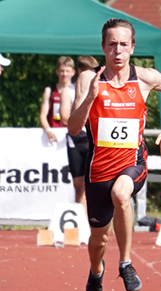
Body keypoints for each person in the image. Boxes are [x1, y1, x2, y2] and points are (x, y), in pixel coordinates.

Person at [68, 18, 161, 291]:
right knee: (98, 241)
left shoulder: (144, 78)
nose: (118, 51)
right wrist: (91, 97)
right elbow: (73, 128)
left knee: (121, 194)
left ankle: (126, 263)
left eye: (124, 45)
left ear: (132, 48)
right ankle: (96, 272)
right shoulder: (87, 79)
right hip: (98, 169)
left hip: (133, 161)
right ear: (103, 46)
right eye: (112, 44)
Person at [60, 56, 99, 211]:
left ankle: (97, 220)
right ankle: (81, 220)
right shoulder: (68, 91)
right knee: (78, 185)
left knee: (96, 183)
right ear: (81, 72)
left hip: (95, 138)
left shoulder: (101, 89)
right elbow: (64, 118)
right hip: (76, 139)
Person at [39, 56, 75, 143]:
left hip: (72, 134)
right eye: (62, 71)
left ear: (73, 72)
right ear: (57, 71)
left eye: (67, 71)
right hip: (53, 133)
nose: (64, 74)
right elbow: (42, 115)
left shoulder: (76, 91)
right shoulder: (49, 90)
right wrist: (48, 130)